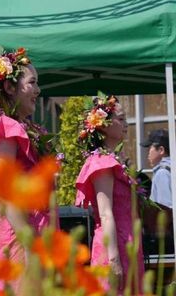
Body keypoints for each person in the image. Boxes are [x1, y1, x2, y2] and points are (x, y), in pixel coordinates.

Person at [0, 46, 54, 294]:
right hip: (16, 241)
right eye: (32, 83)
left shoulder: (21, 127)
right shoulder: (3, 128)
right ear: (9, 87)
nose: (38, 91)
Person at [75, 93, 144, 293]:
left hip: (128, 244)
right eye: (121, 119)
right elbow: (105, 213)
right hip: (113, 247)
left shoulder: (115, 160)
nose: (126, 123)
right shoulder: (102, 163)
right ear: (103, 124)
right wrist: (113, 259)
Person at [140, 129, 172, 208]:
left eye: (149, 148)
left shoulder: (162, 173)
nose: (148, 154)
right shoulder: (171, 168)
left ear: (161, 150)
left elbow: (165, 208)